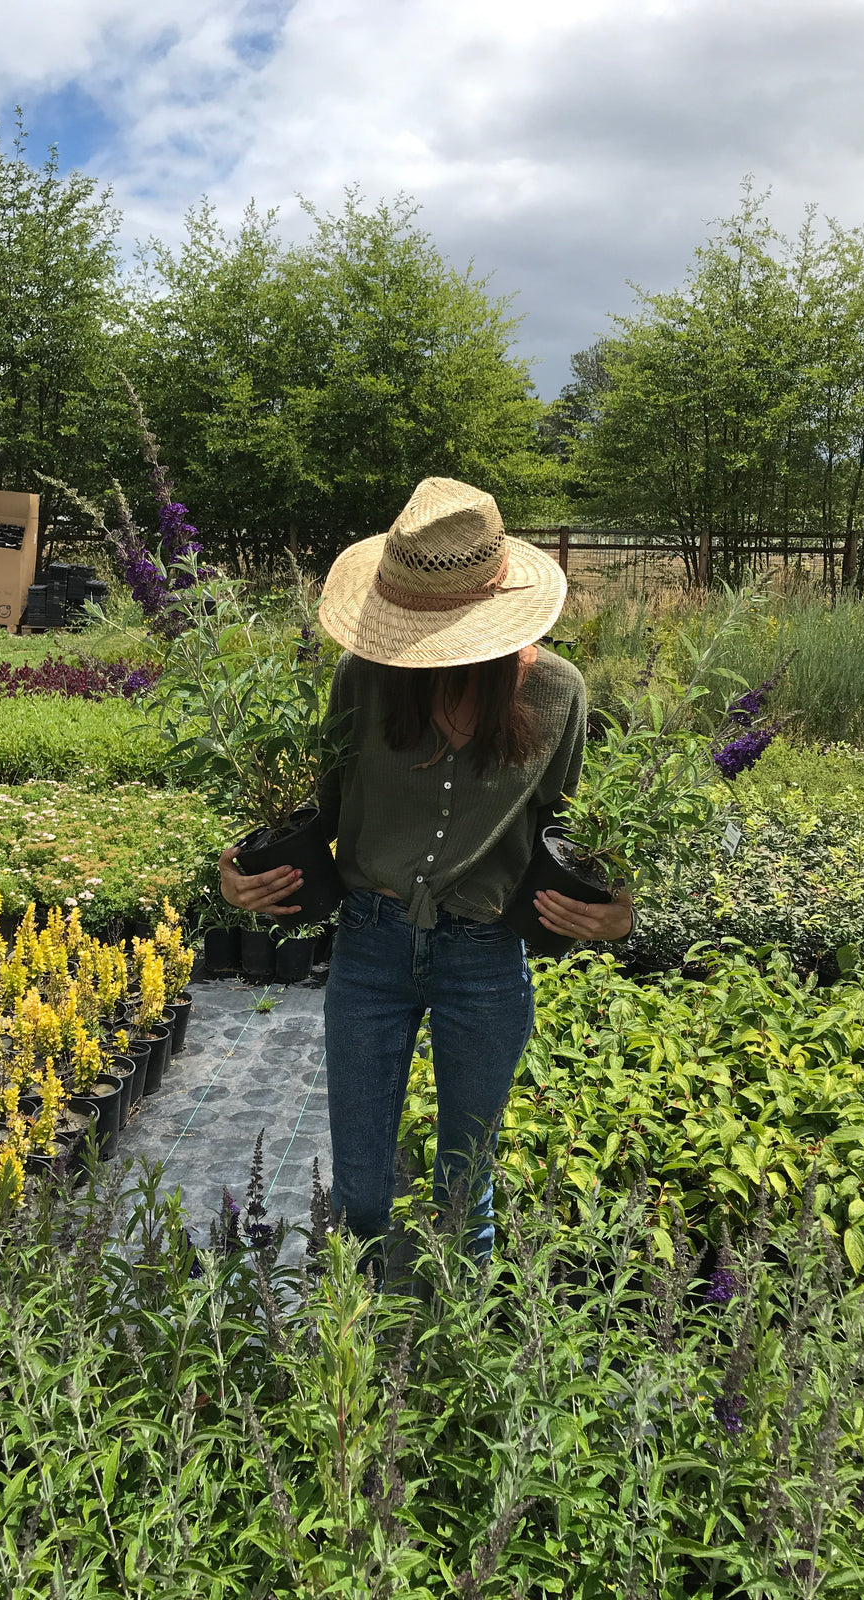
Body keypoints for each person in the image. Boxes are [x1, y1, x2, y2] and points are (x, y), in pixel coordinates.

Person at [219, 477, 632, 1265]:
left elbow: (575, 836)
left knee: (464, 1187)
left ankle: (457, 1371)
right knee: (362, 1192)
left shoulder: (556, 693)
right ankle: (358, 1357)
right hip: (370, 950)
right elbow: (315, 817)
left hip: (483, 956)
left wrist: (617, 911)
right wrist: (242, 875)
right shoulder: (365, 677)